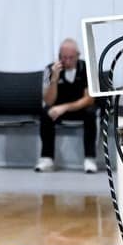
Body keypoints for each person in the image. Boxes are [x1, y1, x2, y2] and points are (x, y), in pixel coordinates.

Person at [36, 38, 97, 173]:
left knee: (91, 112)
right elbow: (49, 101)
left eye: (71, 57)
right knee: (45, 112)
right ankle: (46, 158)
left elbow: (89, 99)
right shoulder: (49, 69)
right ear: (59, 56)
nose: (67, 61)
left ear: (78, 56)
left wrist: (64, 107)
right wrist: (54, 79)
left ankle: (90, 158)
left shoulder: (87, 68)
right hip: (57, 110)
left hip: (79, 108)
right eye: (64, 57)